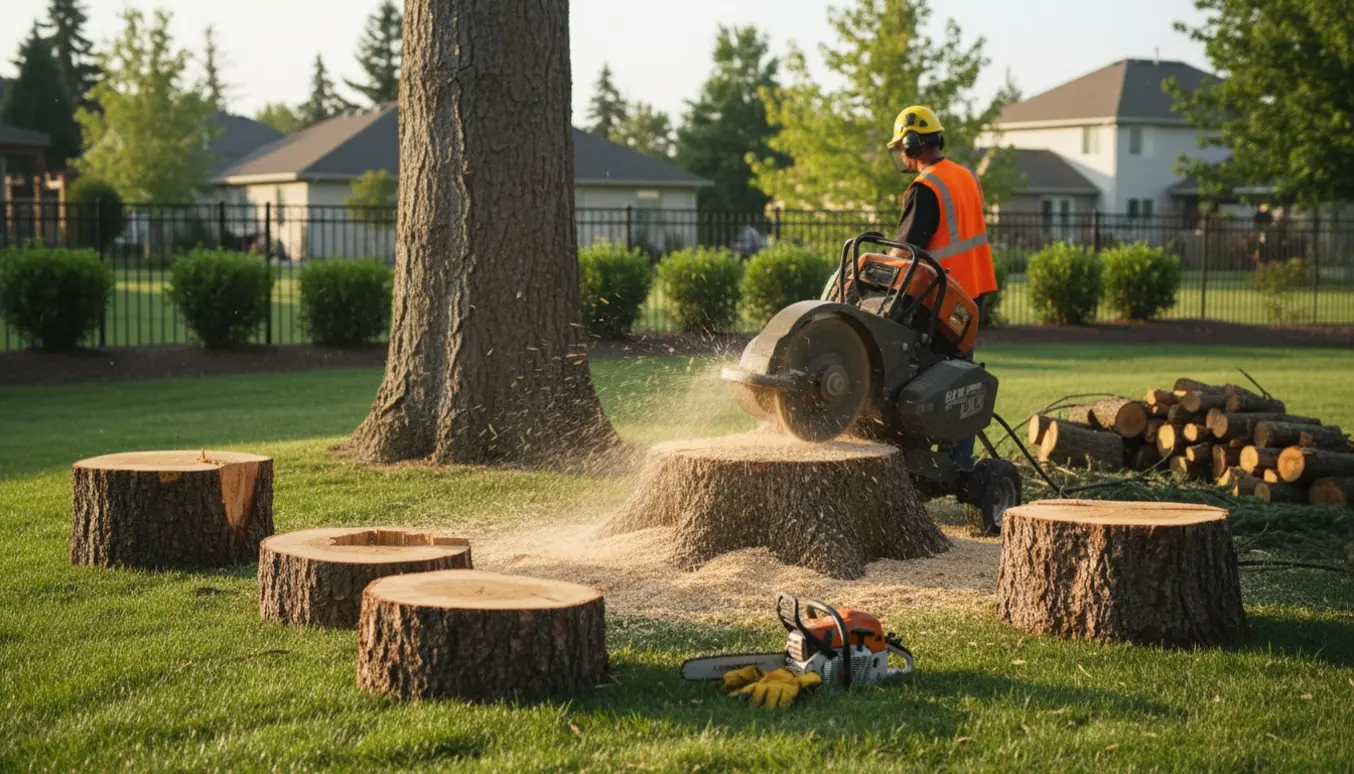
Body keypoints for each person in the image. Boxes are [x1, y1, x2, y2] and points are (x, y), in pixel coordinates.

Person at [885, 105, 1000, 469]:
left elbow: (907, 254)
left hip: (938, 301)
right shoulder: (967, 176)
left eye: (902, 146)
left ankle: (922, 464)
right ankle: (959, 463)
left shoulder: (925, 188)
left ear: (912, 143)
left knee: (913, 378)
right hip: (972, 294)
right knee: (961, 380)